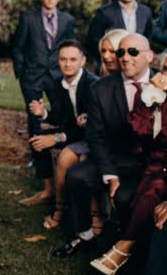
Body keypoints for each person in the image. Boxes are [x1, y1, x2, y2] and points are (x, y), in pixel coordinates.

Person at [53, 33, 152, 258]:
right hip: (115, 159)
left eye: (133, 52)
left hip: (150, 163)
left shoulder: (165, 84)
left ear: (149, 56)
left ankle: (129, 248)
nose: (125, 57)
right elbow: (95, 136)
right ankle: (85, 235)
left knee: (125, 197)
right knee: (76, 176)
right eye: (121, 52)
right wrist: (110, 174)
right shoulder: (102, 88)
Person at [90, 49, 167, 275]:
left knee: (153, 190)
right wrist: (151, 95)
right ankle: (130, 257)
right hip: (151, 166)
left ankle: (124, 249)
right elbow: (136, 129)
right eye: (165, 69)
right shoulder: (158, 100)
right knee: (144, 189)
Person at [12, 0, 75, 206]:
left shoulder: (67, 20)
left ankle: (68, 169)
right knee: (35, 123)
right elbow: (18, 47)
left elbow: (70, 46)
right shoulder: (28, 18)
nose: (50, 0)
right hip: (33, 76)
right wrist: (21, 73)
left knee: (65, 117)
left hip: (57, 76)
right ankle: (46, 183)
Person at [27, 39, 98, 230]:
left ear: (83, 61)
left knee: (64, 154)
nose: (67, 64)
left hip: (90, 136)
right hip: (72, 131)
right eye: (63, 59)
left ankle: (60, 209)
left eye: (73, 59)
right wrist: (43, 113)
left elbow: (90, 127)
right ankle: (48, 190)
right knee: (37, 138)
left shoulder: (93, 85)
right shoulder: (58, 84)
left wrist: (56, 138)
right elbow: (61, 117)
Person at [86, 0, 153, 63]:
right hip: (113, 61)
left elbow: (148, 37)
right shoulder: (104, 13)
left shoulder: (145, 11)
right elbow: (93, 39)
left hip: (136, 61)